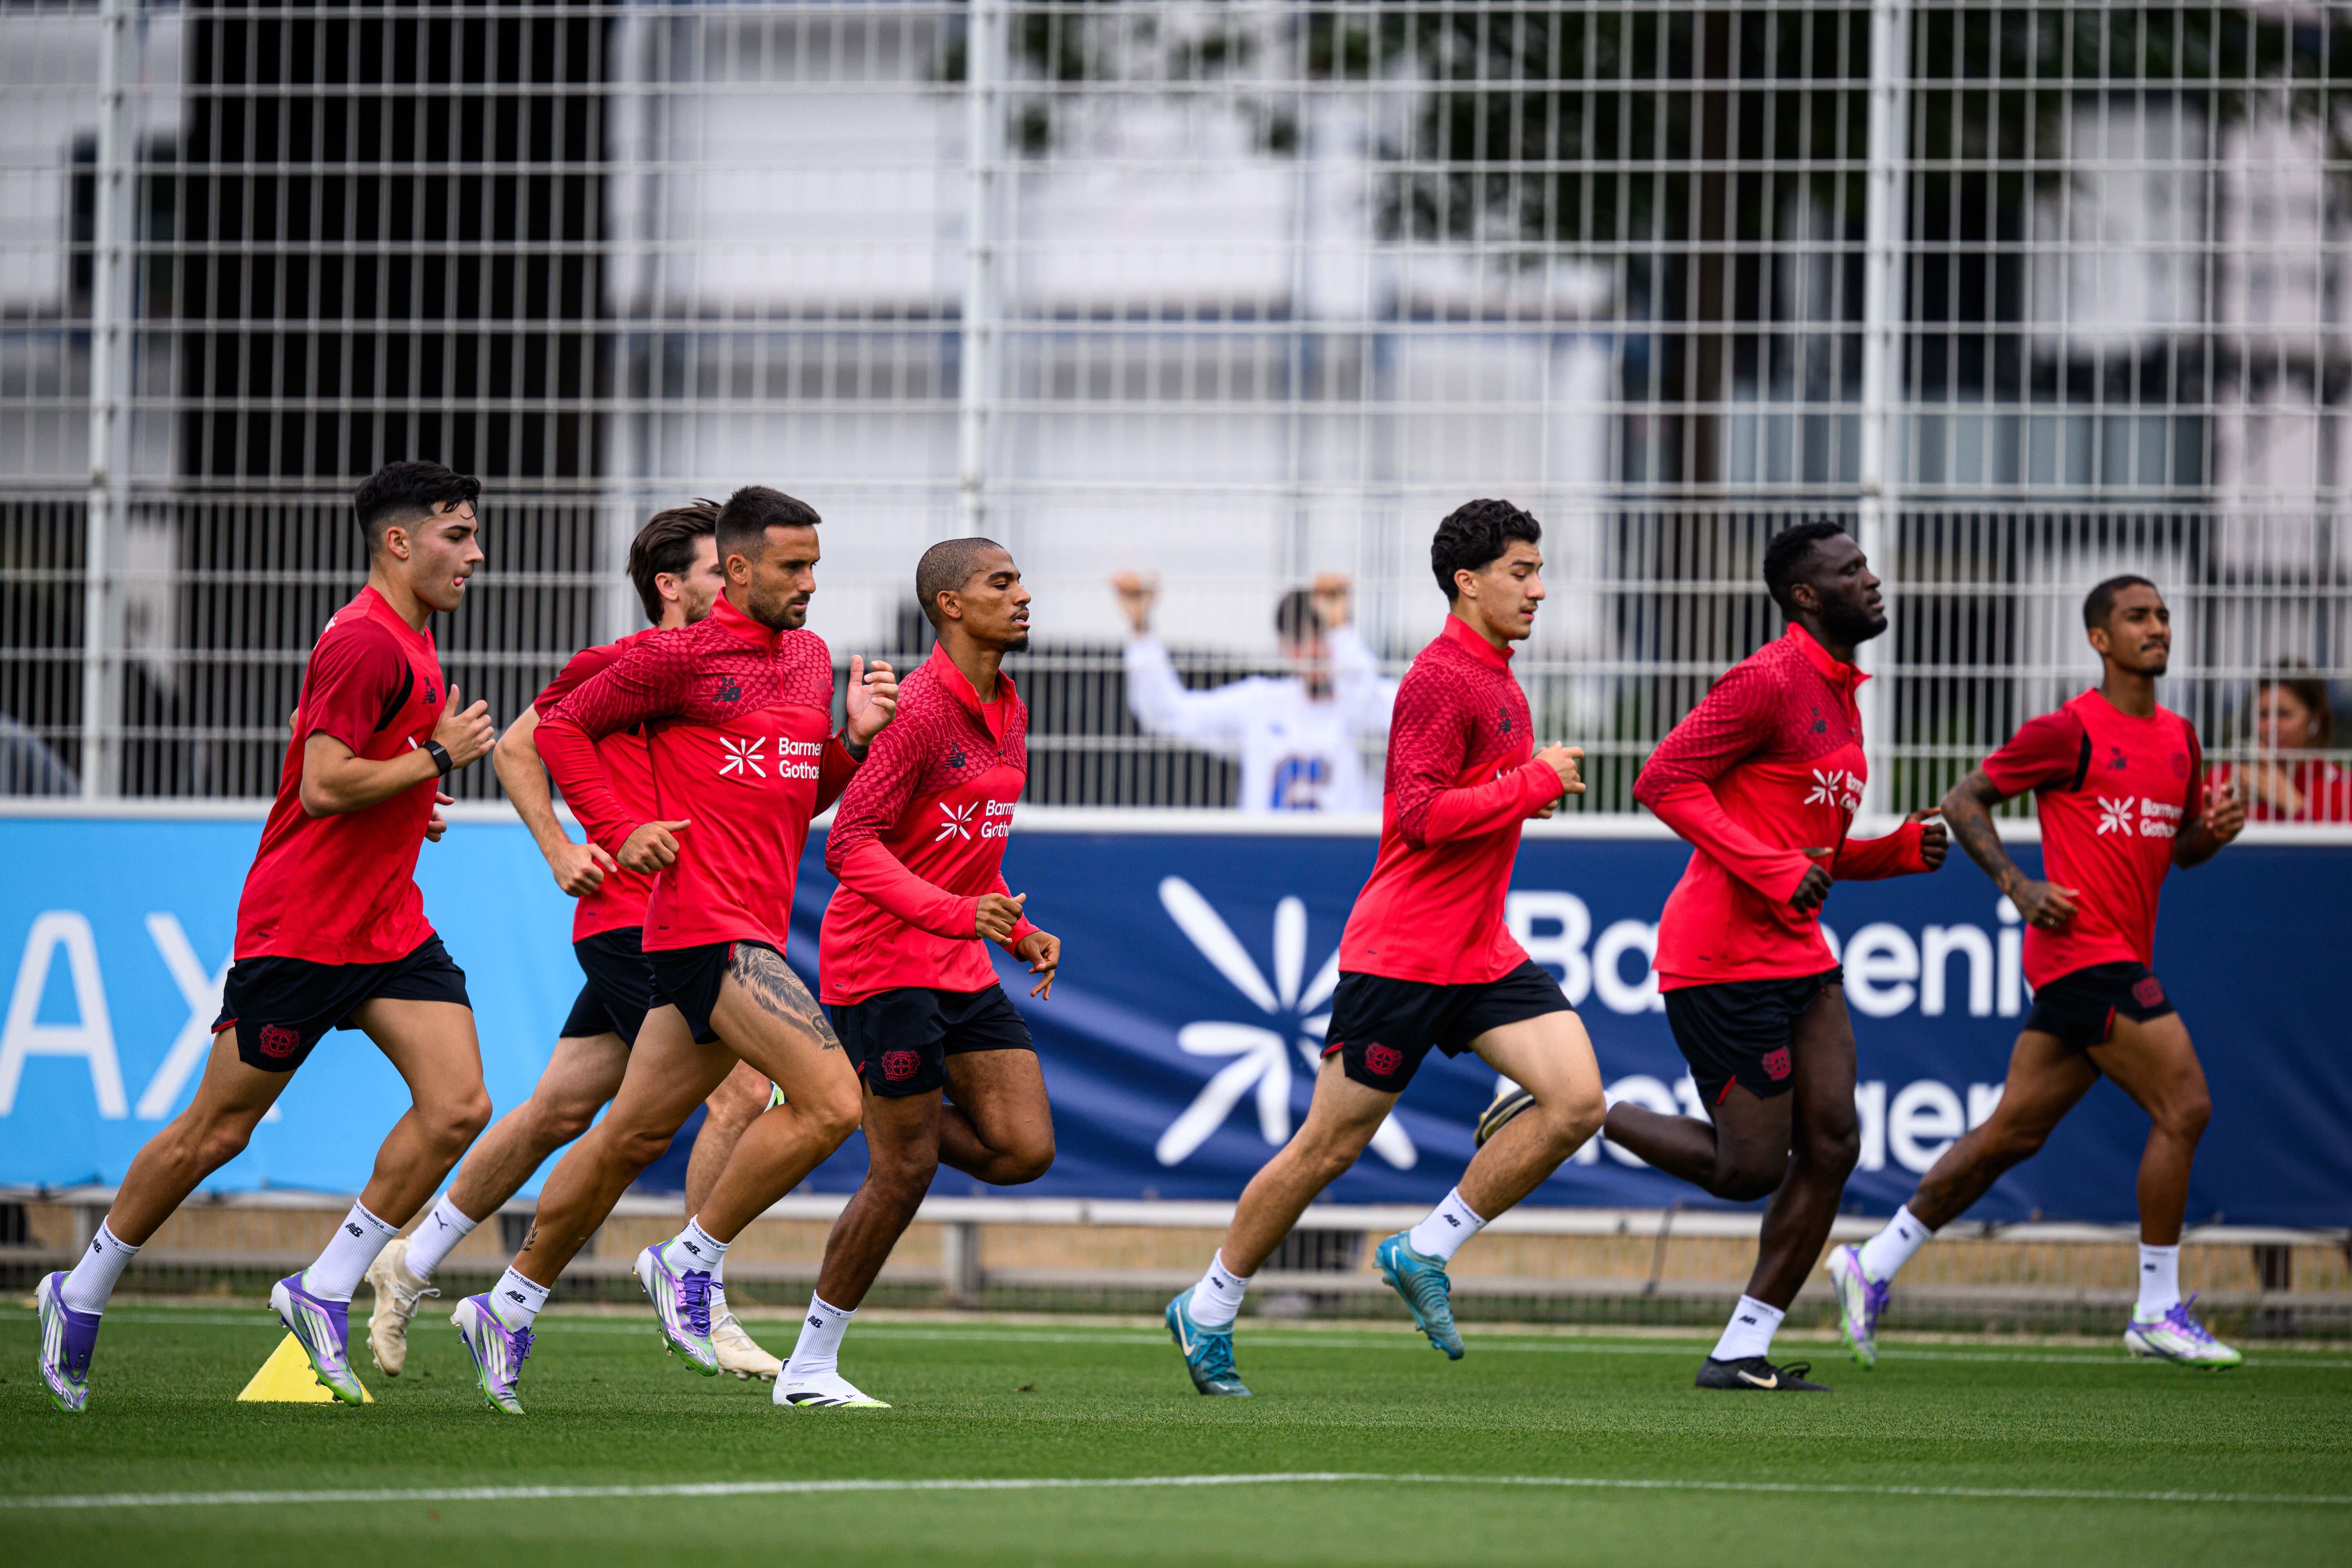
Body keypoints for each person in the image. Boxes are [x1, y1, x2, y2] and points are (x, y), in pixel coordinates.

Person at [36, 461, 501, 1413]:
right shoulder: (367, 642)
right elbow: (326, 784)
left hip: (385, 925)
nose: (476, 554)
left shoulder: (411, 643)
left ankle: (323, 1286)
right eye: (457, 535)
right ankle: (77, 1291)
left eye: (474, 534)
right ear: (398, 541)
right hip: (302, 928)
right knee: (219, 1130)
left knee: (458, 1105)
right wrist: (436, 756)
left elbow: (340, 764)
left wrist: (418, 794)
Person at [446, 485, 898, 1414]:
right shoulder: (674, 658)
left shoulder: (810, 661)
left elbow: (794, 796)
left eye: (815, 565)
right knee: (834, 1101)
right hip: (702, 926)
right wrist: (617, 827)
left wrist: (851, 746)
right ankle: (687, 1258)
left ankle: (509, 1303)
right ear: (735, 569)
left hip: (751, 924)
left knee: (626, 1137)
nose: (810, 583)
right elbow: (559, 728)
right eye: (791, 567)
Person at [1163, 499, 1602, 1397]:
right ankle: (1207, 1304)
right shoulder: (1442, 677)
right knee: (1327, 1148)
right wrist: (1527, 784)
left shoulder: (1502, 679)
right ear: (1467, 581)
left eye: (1537, 569)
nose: (1538, 587)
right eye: (1521, 571)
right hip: (1401, 953)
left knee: (1578, 1102)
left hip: (1479, 952)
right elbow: (1417, 816)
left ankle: (1423, 1248)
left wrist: (1523, 789)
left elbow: (1472, 800)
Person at [363, 501, 786, 1383]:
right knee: (745, 1085)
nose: (735, 581)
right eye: (719, 570)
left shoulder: (736, 672)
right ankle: (700, 1291)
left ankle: (411, 1261)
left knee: (557, 1110)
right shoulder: (627, 663)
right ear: (671, 587)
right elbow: (522, 745)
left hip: (678, 916)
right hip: (641, 919)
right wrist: (562, 848)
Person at [1830, 575, 2248, 1370]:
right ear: (2100, 639)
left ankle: (1871, 1261)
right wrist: (2019, 887)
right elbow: (1962, 800)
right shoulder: (2069, 730)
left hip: (2111, 958)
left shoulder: (2182, 739)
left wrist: (2212, 833)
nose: (2157, 627)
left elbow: (2181, 849)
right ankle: (2157, 1306)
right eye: (2137, 617)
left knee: (2008, 1136)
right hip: (2083, 953)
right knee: (2186, 1104)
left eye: (2162, 615)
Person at [1604, 519, 1947, 1394]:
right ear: (1806, 594)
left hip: (1796, 951)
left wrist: (1897, 849)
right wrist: (1771, 868)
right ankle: (1579, 1109)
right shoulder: (1769, 677)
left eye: (1868, 565)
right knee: (1748, 1168)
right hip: (1718, 954)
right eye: (1853, 569)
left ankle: (1740, 1350)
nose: (1873, 580)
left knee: (1833, 1143)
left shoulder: (1840, 687)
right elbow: (1661, 779)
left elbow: (1809, 849)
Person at [777, 537, 1063, 1408]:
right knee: (902, 1169)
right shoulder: (921, 709)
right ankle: (810, 1367)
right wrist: (955, 914)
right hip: (880, 963)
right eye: (1001, 582)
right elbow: (851, 843)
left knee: (1024, 1149)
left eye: (1020, 580)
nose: (1022, 595)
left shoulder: (1008, 703)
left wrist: (1014, 929)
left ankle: (874, 1102)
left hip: (961, 960)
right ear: (950, 603)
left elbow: (962, 847)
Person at [1112, 570, 1395, 811]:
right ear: (1283, 647)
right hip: (1266, 864)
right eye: (1299, 638)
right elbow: (1167, 714)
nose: (1312, 650)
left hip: (1348, 865)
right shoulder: (1260, 704)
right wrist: (1141, 631)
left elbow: (1366, 718)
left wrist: (1342, 630)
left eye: (1322, 634)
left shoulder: (1380, 700)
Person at [2208, 664, 2348, 822]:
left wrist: (2293, 804)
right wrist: (2226, 807)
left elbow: (2336, 847)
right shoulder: (2223, 777)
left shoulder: (2341, 788)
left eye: (2284, 714)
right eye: (2263, 715)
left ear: (2315, 719)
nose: (2272, 726)